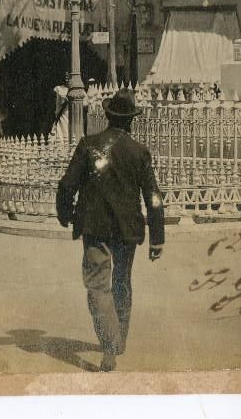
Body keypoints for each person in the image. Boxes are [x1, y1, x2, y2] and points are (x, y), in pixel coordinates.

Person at [56, 89, 165, 372]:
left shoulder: (88, 146)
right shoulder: (139, 152)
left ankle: (109, 346)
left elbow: (67, 185)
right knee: (122, 281)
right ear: (132, 120)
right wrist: (157, 239)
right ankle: (120, 339)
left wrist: (64, 214)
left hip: (94, 227)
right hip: (127, 230)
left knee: (97, 286)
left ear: (106, 116)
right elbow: (154, 196)